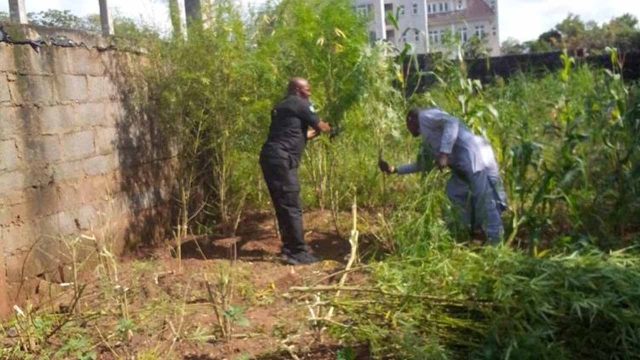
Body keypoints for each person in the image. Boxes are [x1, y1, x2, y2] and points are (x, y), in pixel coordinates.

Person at [379, 108, 508, 245]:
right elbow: (423, 164)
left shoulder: (425, 116)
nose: (409, 131)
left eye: (407, 126)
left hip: (475, 158)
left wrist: (444, 153)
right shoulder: (428, 136)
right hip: (464, 166)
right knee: (454, 193)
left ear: (411, 120)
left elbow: (452, 121)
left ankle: (496, 243)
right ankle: (465, 232)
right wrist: (394, 170)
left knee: (486, 201)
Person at [260, 78, 331, 265]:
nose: (310, 91)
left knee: (283, 205)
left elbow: (299, 134)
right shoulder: (300, 104)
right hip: (281, 159)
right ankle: (298, 252)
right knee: (291, 204)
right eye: (307, 88)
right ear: (298, 90)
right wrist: (330, 127)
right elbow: (320, 125)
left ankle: (289, 248)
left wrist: (317, 132)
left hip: (271, 158)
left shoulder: (283, 106)